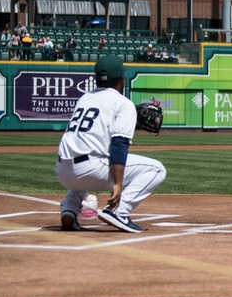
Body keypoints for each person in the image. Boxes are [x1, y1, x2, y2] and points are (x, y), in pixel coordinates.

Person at [54, 55, 166, 233]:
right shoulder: (123, 103)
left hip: (62, 171)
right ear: (121, 79)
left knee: (83, 166)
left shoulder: (85, 98)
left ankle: (69, 208)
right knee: (157, 169)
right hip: (90, 171)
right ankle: (119, 212)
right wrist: (118, 184)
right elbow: (119, 144)